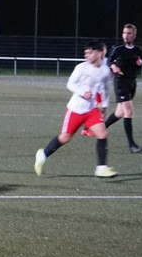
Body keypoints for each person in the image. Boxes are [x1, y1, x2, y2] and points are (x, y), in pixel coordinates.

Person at [34, 41, 117, 179]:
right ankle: (43, 155)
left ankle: (101, 168)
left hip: (91, 111)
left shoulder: (104, 70)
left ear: (99, 53)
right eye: (85, 53)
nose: (86, 55)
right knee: (65, 138)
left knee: (102, 134)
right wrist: (82, 93)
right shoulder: (81, 68)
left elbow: (104, 89)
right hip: (76, 109)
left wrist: (104, 106)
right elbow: (70, 84)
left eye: (90, 52)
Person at [104, 23, 142, 153]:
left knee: (119, 113)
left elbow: (139, 64)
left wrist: (140, 64)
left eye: (129, 33)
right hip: (120, 81)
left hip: (132, 82)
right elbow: (109, 62)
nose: (126, 35)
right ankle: (132, 145)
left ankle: (97, 128)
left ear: (134, 35)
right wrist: (113, 66)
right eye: (124, 33)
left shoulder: (138, 50)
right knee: (129, 111)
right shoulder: (118, 49)